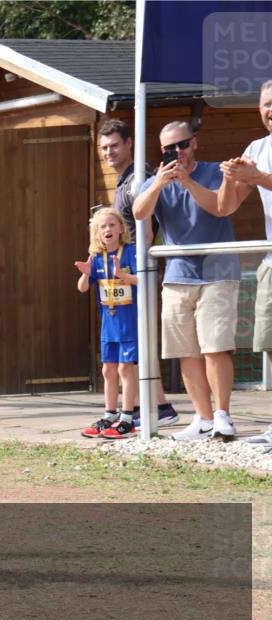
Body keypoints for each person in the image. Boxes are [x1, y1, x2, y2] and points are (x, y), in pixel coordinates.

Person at [133, 121, 240, 441]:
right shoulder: (155, 181)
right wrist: (157, 185)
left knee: (216, 347)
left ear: (195, 143)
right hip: (178, 275)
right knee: (185, 350)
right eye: (169, 149)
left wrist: (187, 181)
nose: (176, 152)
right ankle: (203, 419)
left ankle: (222, 415)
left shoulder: (215, 172)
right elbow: (139, 213)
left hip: (217, 272)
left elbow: (220, 209)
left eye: (182, 145)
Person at [97, 118, 180, 428]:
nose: (109, 152)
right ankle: (159, 406)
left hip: (137, 269)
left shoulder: (137, 179)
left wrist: (139, 267)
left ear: (130, 143)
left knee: (135, 339)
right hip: (124, 271)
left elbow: (146, 227)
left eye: (115, 145)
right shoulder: (123, 180)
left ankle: (144, 409)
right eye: (104, 148)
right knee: (138, 339)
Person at [215, 79, 272, 449]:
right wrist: (230, 177)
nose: (271, 109)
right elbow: (226, 207)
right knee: (270, 344)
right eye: (266, 103)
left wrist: (258, 177)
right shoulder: (257, 148)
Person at [75, 208, 140, 439]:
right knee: (108, 370)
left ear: (121, 228)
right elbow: (82, 288)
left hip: (129, 323)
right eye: (102, 227)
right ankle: (109, 415)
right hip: (108, 325)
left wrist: (125, 277)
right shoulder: (97, 258)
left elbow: (144, 280)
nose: (107, 230)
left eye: (112, 225)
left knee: (125, 368)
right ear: (97, 233)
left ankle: (128, 418)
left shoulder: (131, 252)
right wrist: (85, 273)